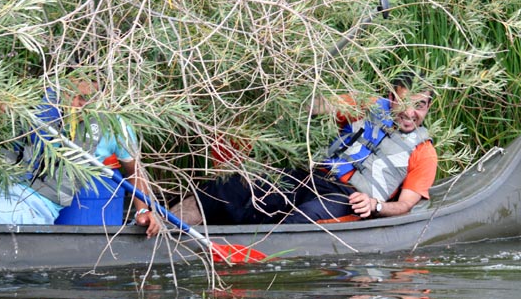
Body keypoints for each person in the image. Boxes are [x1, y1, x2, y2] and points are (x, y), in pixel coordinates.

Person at [172, 71, 437, 225]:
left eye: (420, 106)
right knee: (235, 185)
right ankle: (164, 224)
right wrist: (294, 88)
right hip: (314, 177)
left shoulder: (424, 152)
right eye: (404, 103)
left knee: (304, 218)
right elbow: (318, 106)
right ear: (392, 97)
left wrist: (375, 206)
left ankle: (258, 253)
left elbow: (404, 207)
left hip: (348, 199)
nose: (411, 113)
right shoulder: (366, 106)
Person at [0, 79, 161, 237]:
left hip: (35, 203)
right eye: (73, 95)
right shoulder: (39, 102)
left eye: (85, 100)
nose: (76, 105)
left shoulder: (115, 126)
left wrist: (143, 212)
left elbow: (134, 172)